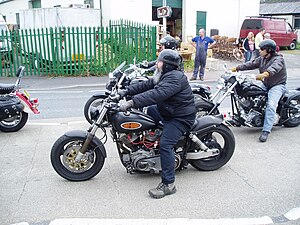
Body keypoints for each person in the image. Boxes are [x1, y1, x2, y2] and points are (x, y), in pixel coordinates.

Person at [118, 49, 196, 198]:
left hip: (179, 117)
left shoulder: (174, 78)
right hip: (168, 110)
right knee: (148, 112)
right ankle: (150, 140)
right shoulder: (164, 75)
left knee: (166, 145)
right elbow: (147, 85)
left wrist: (131, 102)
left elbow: (156, 94)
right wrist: (125, 91)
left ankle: (168, 184)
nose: (157, 64)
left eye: (159, 62)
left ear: (166, 65)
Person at [231, 39, 287, 142]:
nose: (260, 50)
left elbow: (274, 68)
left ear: (269, 50)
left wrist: (265, 74)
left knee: (271, 105)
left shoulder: (278, 59)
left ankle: (266, 130)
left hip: (277, 85)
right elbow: (250, 64)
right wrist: (237, 68)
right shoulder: (262, 58)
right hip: (265, 84)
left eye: (262, 49)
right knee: (250, 91)